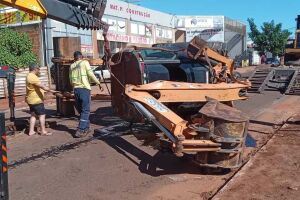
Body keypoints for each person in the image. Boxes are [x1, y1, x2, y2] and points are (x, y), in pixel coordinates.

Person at [69, 51, 104, 138]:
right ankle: (80, 129)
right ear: (81, 56)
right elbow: (90, 74)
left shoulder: (71, 66)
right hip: (84, 89)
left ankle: (86, 127)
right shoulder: (84, 63)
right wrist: (98, 83)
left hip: (76, 90)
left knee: (81, 110)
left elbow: (70, 79)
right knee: (85, 110)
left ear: (74, 57)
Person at [26, 64, 57, 136]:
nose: (39, 71)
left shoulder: (28, 75)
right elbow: (42, 86)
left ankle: (31, 131)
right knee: (42, 115)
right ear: (35, 69)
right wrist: (51, 90)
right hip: (36, 100)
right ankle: (43, 131)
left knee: (33, 115)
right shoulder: (32, 77)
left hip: (31, 99)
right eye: (38, 69)